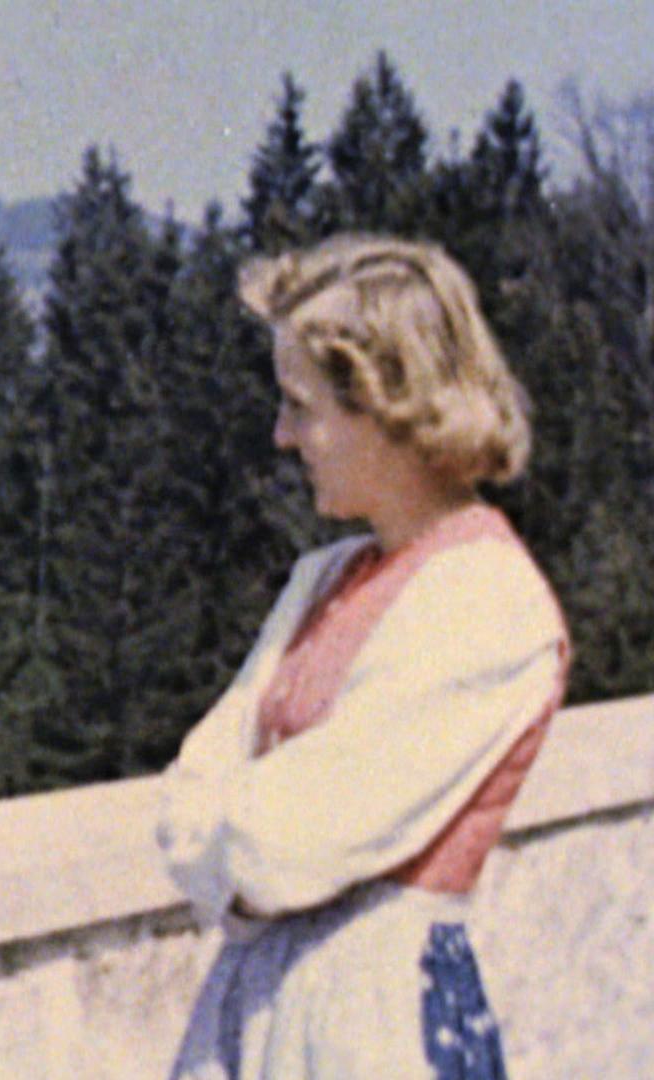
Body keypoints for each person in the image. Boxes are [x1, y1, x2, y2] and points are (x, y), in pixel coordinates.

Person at [157, 234, 570, 1079]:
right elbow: (187, 800)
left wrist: (236, 844)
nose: (282, 435)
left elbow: (284, 848)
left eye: (301, 406)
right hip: (256, 1017)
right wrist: (240, 842)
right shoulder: (323, 580)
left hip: (375, 1028)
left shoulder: (488, 601)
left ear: (387, 405)